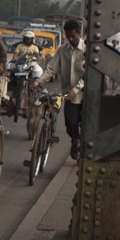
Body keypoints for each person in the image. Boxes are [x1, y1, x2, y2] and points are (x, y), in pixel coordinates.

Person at [32, 19, 85, 159]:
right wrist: (38, 82)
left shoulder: (87, 49)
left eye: (73, 36)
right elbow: (51, 68)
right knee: (70, 124)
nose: (71, 39)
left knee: (87, 124)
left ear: (79, 33)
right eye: (68, 36)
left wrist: (76, 89)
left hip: (85, 93)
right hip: (68, 94)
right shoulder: (63, 49)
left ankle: (83, 147)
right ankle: (76, 141)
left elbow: (88, 74)